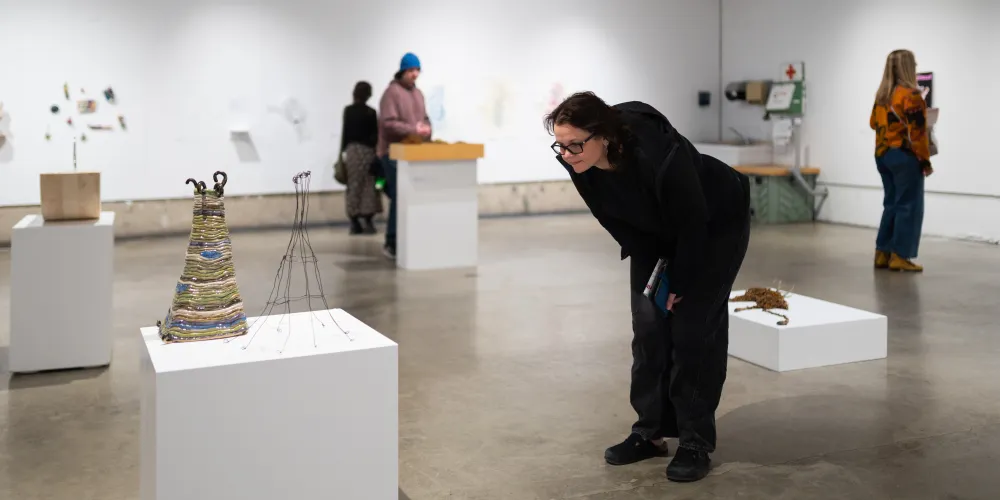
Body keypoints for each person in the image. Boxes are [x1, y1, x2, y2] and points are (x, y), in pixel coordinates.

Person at [545, 92, 751, 483]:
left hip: (713, 224)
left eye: (575, 144)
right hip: (651, 233)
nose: (567, 154)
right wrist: (655, 276)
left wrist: (682, 282)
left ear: (602, 135)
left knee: (693, 330)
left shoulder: (658, 152)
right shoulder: (578, 160)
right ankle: (649, 432)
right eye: (561, 145)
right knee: (649, 327)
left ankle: (694, 442)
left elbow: (692, 223)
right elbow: (610, 218)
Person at [870, 49, 932, 272]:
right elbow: (918, 133)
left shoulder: (882, 97)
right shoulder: (911, 96)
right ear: (908, 67)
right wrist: (925, 161)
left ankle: (882, 252)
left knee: (891, 204)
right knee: (909, 206)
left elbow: (872, 123)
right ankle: (900, 255)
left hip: (882, 154)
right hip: (904, 156)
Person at [376, 52, 432, 259]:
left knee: (410, 195)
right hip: (392, 153)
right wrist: (413, 129)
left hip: (412, 153)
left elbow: (425, 119)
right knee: (400, 195)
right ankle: (392, 242)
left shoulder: (419, 94)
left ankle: (409, 238)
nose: (415, 74)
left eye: (417, 70)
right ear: (402, 71)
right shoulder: (391, 93)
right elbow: (388, 124)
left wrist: (426, 129)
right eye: (411, 70)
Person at [340, 81, 382, 235]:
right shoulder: (371, 112)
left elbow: (345, 134)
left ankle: (354, 221)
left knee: (354, 186)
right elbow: (375, 135)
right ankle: (368, 220)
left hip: (352, 152)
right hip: (368, 152)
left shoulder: (348, 111)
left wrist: (343, 153)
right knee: (369, 186)